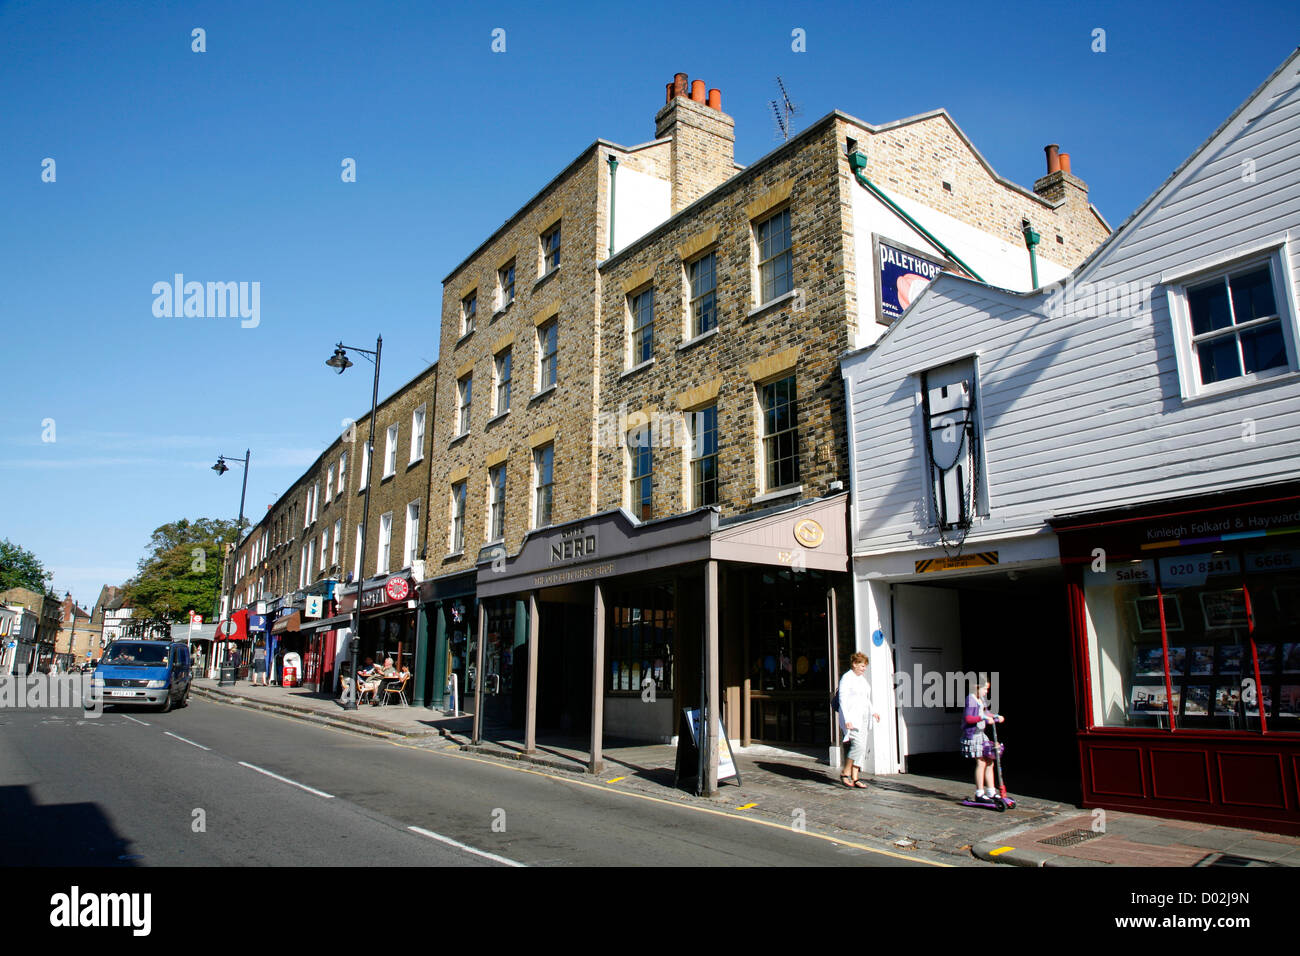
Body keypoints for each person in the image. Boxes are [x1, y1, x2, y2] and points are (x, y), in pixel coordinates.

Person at [837, 652, 879, 790]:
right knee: (858, 746)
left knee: (861, 748)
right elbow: (842, 699)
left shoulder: (862, 679)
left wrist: (873, 711)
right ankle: (845, 772)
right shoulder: (847, 678)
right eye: (862, 665)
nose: (864, 668)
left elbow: (866, 699)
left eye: (865, 666)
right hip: (853, 718)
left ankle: (855, 777)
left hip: (864, 717)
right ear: (854, 664)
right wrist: (847, 719)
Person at [961, 677, 1005, 802]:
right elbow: (969, 718)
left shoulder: (981, 699)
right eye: (985, 689)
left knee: (990, 761)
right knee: (981, 763)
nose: (986, 691)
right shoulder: (971, 699)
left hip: (981, 734)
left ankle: (991, 791)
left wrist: (996, 716)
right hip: (973, 735)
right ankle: (979, 793)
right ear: (977, 687)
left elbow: (986, 713)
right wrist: (983, 718)